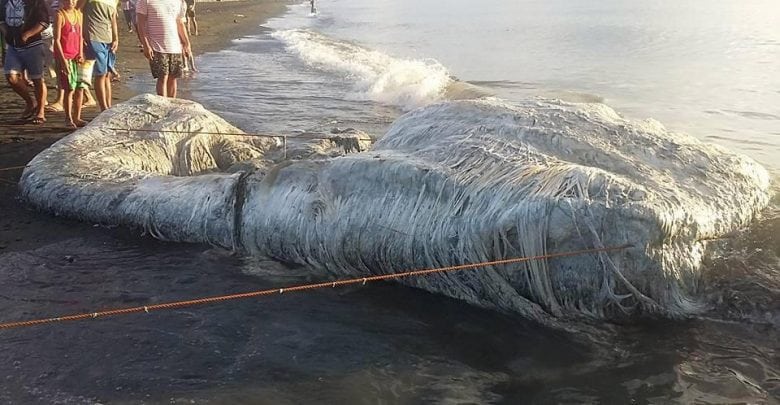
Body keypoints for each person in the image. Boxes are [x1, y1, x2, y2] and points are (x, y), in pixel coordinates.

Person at [0, 0, 50, 124]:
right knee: (11, 76)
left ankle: (40, 111)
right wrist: (5, 31)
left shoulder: (35, 2)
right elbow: (1, 19)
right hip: (13, 45)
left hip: (33, 44)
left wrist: (28, 34)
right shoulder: (4, 2)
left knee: (37, 79)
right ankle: (30, 102)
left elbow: (44, 22)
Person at [136, 0, 190, 98]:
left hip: (175, 46)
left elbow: (180, 23)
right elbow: (140, 24)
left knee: (173, 78)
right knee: (162, 77)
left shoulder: (179, 2)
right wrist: (146, 45)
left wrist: (186, 44)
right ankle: (163, 105)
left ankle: (171, 104)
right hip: (157, 46)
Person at [78, 0, 117, 111]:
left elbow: (113, 19)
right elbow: (78, 11)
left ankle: (108, 107)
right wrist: (80, 34)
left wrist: (116, 38)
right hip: (93, 36)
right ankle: (103, 108)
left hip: (108, 39)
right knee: (100, 74)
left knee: (107, 75)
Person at [53, 0, 86, 127]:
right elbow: (56, 40)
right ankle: (68, 118)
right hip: (65, 56)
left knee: (80, 87)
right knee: (69, 88)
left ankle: (77, 117)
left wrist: (81, 53)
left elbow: (80, 35)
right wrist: (62, 61)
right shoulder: (60, 15)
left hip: (77, 56)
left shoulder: (79, 14)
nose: (71, 2)